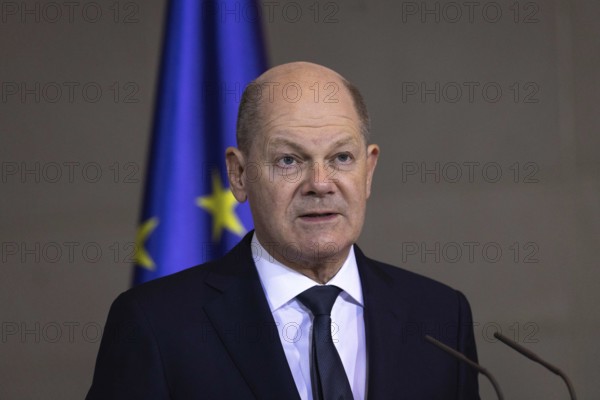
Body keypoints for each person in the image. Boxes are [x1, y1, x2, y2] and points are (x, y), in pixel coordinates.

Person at [86, 62, 480, 399]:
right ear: (239, 175)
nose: (320, 183)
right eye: (289, 160)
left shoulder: (441, 316)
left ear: (369, 170)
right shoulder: (156, 325)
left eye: (341, 157)